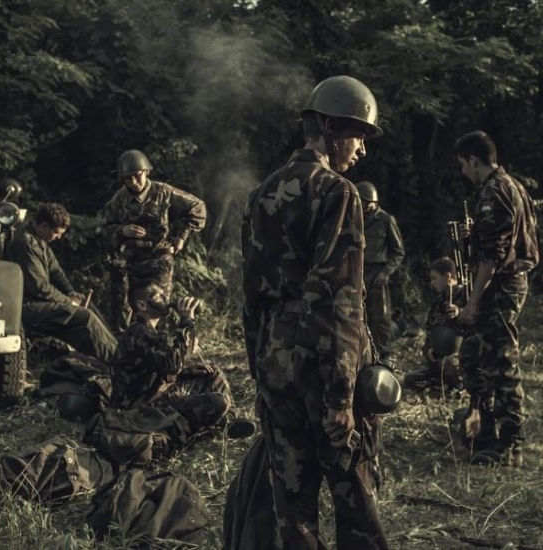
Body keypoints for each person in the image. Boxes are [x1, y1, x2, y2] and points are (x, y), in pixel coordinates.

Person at [241, 75, 389, 549]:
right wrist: (343, 397)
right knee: (357, 501)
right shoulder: (338, 193)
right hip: (323, 368)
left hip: (276, 364)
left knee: (293, 511)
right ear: (328, 127)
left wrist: (259, 372)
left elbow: (252, 297)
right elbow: (338, 301)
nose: (362, 149)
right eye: (358, 134)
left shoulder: (260, 193)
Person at [454, 130, 539, 466]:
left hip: (501, 286)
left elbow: (493, 255)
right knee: (478, 357)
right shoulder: (513, 186)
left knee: (501, 362)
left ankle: (510, 443)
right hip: (509, 282)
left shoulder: (494, 190)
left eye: (464, 165)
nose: (463, 172)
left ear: (474, 160)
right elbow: (510, 235)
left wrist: (473, 301)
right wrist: (475, 231)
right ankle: (486, 431)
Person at [111, 282, 255, 439]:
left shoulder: (147, 332)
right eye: (159, 295)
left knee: (213, 373)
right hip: (140, 409)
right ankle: (208, 429)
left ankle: (228, 422)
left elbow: (158, 373)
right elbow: (173, 364)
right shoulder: (138, 332)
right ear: (142, 305)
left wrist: (188, 372)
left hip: (156, 394)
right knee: (217, 402)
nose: (166, 297)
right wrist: (186, 321)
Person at [101, 150, 207, 332]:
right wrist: (122, 230)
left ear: (146, 172)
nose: (134, 182)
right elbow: (104, 229)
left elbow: (198, 208)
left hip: (159, 260)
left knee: (160, 307)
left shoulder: (164, 192)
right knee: (134, 310)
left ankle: (164, 349)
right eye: (128, 178)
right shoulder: (120, 199)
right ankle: (135, 350)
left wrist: (181, 237)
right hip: (133, 262)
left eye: (137, 176)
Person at [5, 203, 117, 364]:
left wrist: (72, 292)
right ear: (44, 226)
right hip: (26, 306)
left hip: (38, 302)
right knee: (84, 317)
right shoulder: (25, 243)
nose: (59, 237)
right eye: (56, 233)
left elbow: (56, 272)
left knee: (89, 306)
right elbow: (39, 287)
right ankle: (119, 363)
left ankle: (119, 352)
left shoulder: (40, 240)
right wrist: (69, 301)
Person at [358, 181, 405, 362]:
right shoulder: (355, 218)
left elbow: (398, 251)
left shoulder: (386, 220)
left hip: (378, 274)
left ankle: (384, 356)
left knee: (381, 318)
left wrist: (386, 272)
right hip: (360, 272)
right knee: (360, 315)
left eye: (365, 202)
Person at [402, 257, 465, 393]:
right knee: (410, 380)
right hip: (438, 361)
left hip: (460, 359)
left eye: (435, 278)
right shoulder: (438, 302)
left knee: (453, 366)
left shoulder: (467, 296)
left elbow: (476, 324)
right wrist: (429, 349)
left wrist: (460, 312)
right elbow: (430, 332)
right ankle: (442, 384)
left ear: (447, 276)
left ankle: (455, 385)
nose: (432, 283)